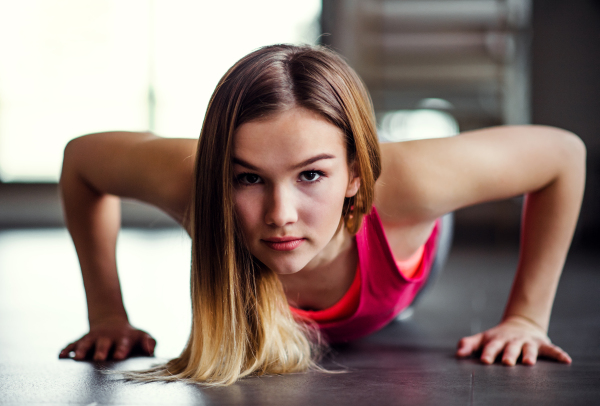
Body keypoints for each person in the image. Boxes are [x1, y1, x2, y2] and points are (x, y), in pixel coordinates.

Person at [58, 44, 584, 386]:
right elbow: (82, 160)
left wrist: (526, 317)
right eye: (248, 178)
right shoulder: (193, 180)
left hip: (400, 243)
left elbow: (562, 155)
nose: (280, 215)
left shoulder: (412, 183)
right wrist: (107, 313)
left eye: (310, 175)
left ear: (355, 173)